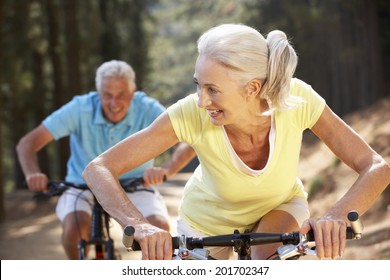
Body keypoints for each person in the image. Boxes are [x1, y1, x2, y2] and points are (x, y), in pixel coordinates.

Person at [82, 24, 390, 260]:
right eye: (198, 86)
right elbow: (99, 168)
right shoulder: (190, 113)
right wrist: (140, 225)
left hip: (278, 207)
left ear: (252, 88)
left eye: (213, 90)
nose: (202, 101)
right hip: (204, 224)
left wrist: (337, 215)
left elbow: (375, 166)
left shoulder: (296, 99)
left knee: (267, 260)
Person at [16, 60, 196, 259]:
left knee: (159, 230)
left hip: (135, 185)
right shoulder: (79, 108)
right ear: (98, 93)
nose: (114, 103)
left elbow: (189, 140)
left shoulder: (148, 108)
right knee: (74, 230)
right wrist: (32, 173)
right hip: (81, 185)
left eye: (121, 95)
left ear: (133, 92)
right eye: (107, 95)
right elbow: (27, 143)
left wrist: (166, 170)